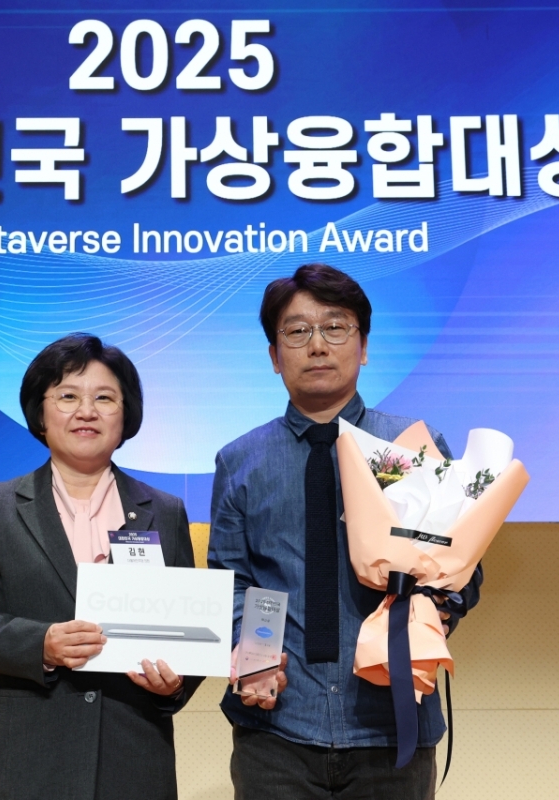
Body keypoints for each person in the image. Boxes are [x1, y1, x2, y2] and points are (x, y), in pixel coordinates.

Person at [208, 264, 483, 800]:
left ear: (364, 347)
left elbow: (462, 570)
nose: (317, 345)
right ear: (274, 356)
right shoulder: (240, 460)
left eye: (335, 327)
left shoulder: (409, 447)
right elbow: (232, 582)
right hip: (277, 728)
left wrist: (433, 609)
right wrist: (253, 655)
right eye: (297, 331)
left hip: (392, 724)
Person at [0, 333, 203, 800]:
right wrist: (40, 644)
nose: (86, 411)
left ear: (126, 414)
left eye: (105, 398)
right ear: (40, 413)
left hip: (132, 759)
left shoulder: (165, 511)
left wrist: (175, 684)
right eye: (68, 396)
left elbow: (188, 629)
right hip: (25, 761)